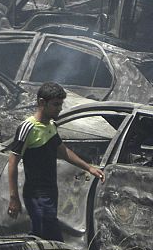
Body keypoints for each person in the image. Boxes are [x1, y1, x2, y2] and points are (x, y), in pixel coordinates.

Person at [7, 82, 105, 241]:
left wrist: (89, 168)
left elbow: (63, 151)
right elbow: (12, 162)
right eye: (56, 104)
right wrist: (13, 198)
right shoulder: (27, 128)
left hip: (50, 190)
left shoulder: (51, 125)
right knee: (52, 238)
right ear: (41, 103)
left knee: (40, 236)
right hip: (36, 194)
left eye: (61, 104)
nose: (60, 108)